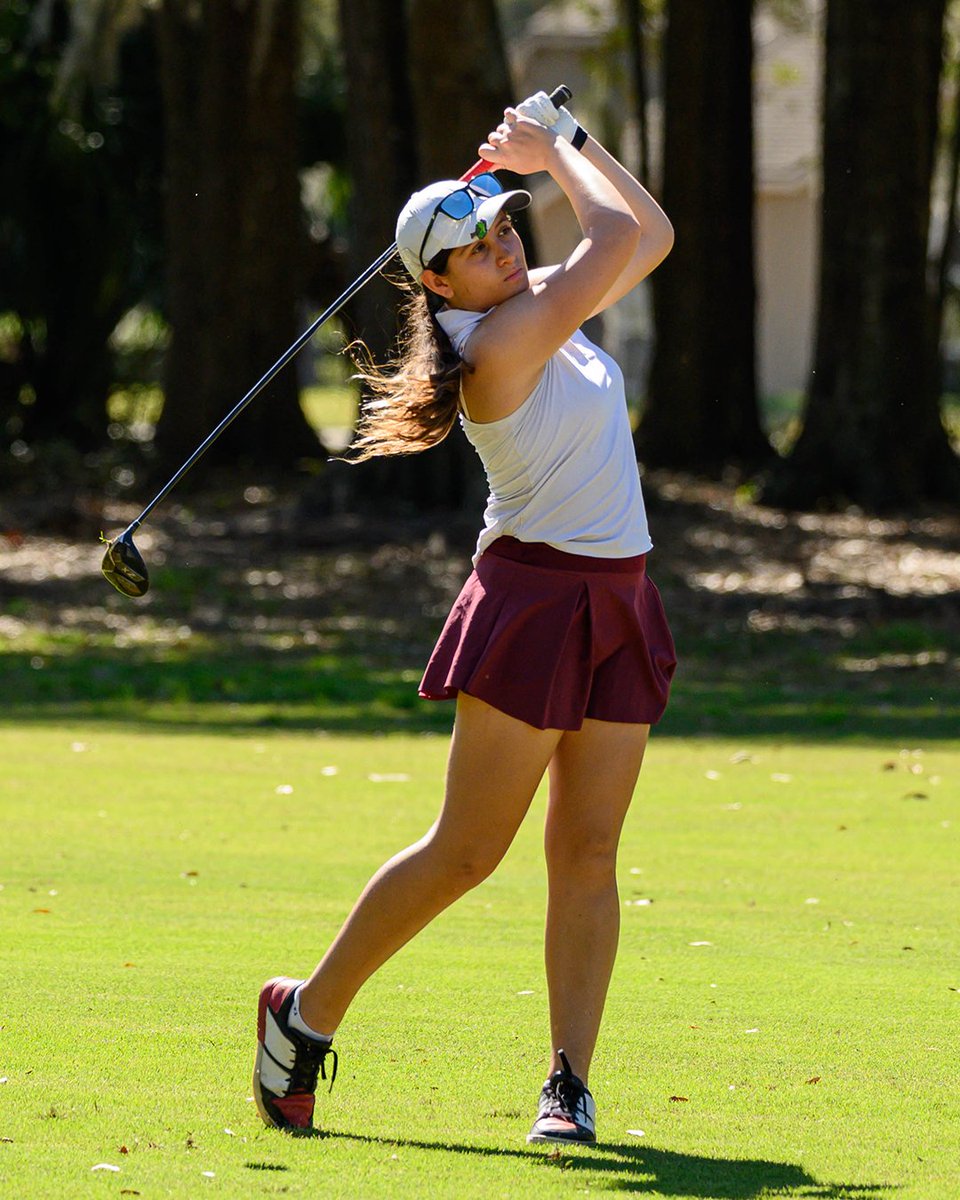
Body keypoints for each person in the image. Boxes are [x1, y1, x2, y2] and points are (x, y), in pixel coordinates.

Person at [252, 91, 676, 1147]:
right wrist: (556, 146)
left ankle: (568, 1084)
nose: (504, 246)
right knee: (468, 852)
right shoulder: (495, 342)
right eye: (478, 246)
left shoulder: (534, 304)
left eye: (504, 228)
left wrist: (569, 146)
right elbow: (613, 237)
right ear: (437, 283)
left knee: (589, 851)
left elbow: (652, 234)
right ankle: (303, 1014)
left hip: (620, 594)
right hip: (535, 601)